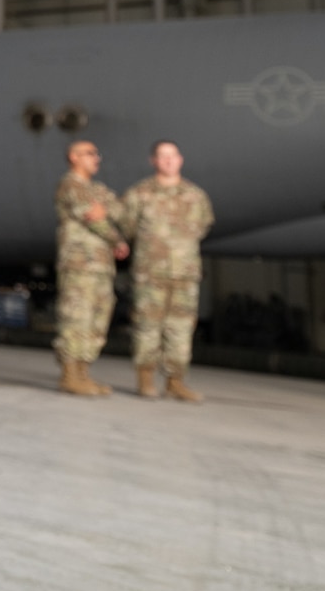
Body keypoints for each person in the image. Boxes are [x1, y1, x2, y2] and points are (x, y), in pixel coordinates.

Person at [121, 140, 214, 402]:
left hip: (184, 274)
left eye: (173, 156)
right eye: (163, 156)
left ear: (180, 159)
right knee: (147, 325)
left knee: (181, 328)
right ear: (154, 161)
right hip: (150, 273)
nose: (169, 161)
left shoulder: (196, 196)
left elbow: (203, 226)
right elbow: (127, 226)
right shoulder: (139, 193)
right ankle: (145, 379)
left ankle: (176, 381)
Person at [52, 140, 127, 396]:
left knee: (97, 318)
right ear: (74, 157)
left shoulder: (96, 188)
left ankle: (84, 373)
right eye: (90, 153)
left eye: (97, 153)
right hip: (79, 263)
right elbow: (92, 218)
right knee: (77, 317)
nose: (97, 158)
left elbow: (118, 211)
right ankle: (70, 375)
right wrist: (116, 239)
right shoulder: (70, 185)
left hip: (101, 266)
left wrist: (103, 211)